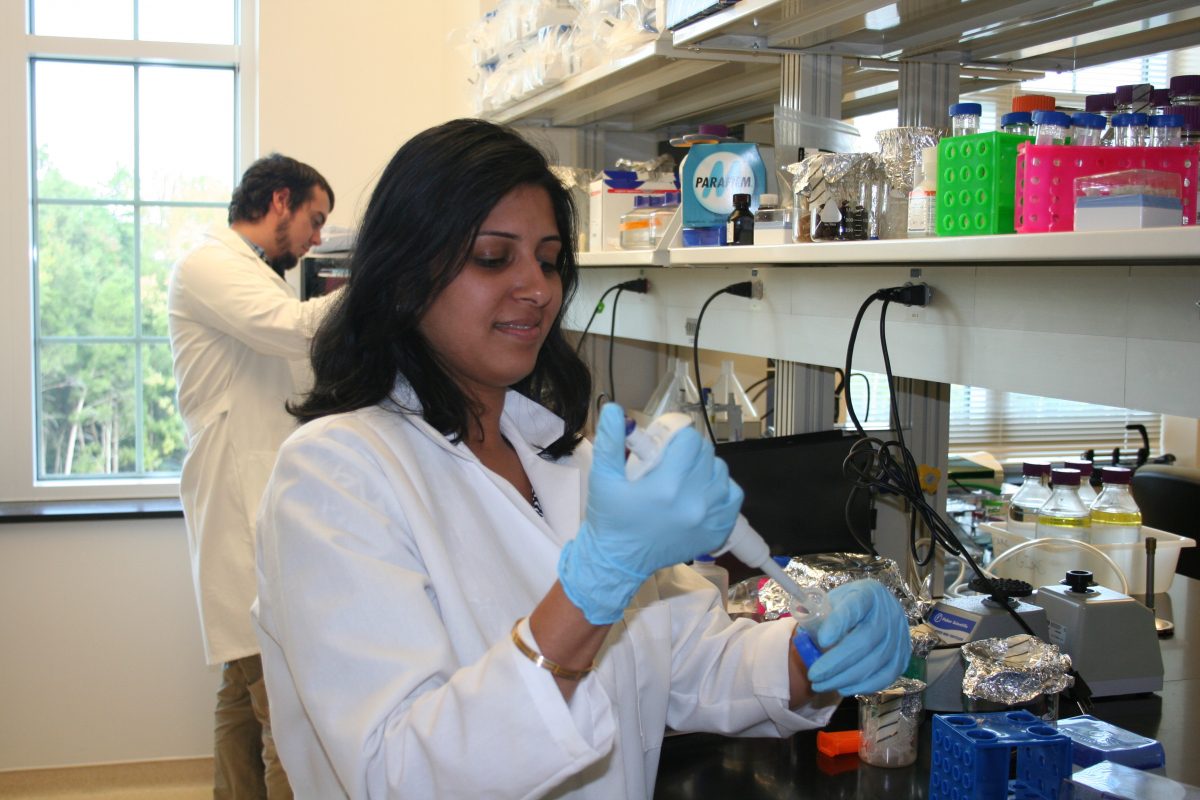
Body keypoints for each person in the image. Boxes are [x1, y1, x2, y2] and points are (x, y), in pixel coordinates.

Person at [253, 119, 911, 799]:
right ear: (402, 276)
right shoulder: (333, 478)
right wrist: (592, 590)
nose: (536, 288)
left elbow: (685, 659)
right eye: (492, 257)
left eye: (547, 258)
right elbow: (399, 775)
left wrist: (810, 658)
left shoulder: (565, 460)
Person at [169, 153, 339, 799]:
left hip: (257, 497)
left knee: (241, 692)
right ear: (279, 202)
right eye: (315, 220)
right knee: (281, 709)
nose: (318, 239)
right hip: (238, 503)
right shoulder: (208, 266)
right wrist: (384, 276)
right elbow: (296, 332)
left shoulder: (256, 276)